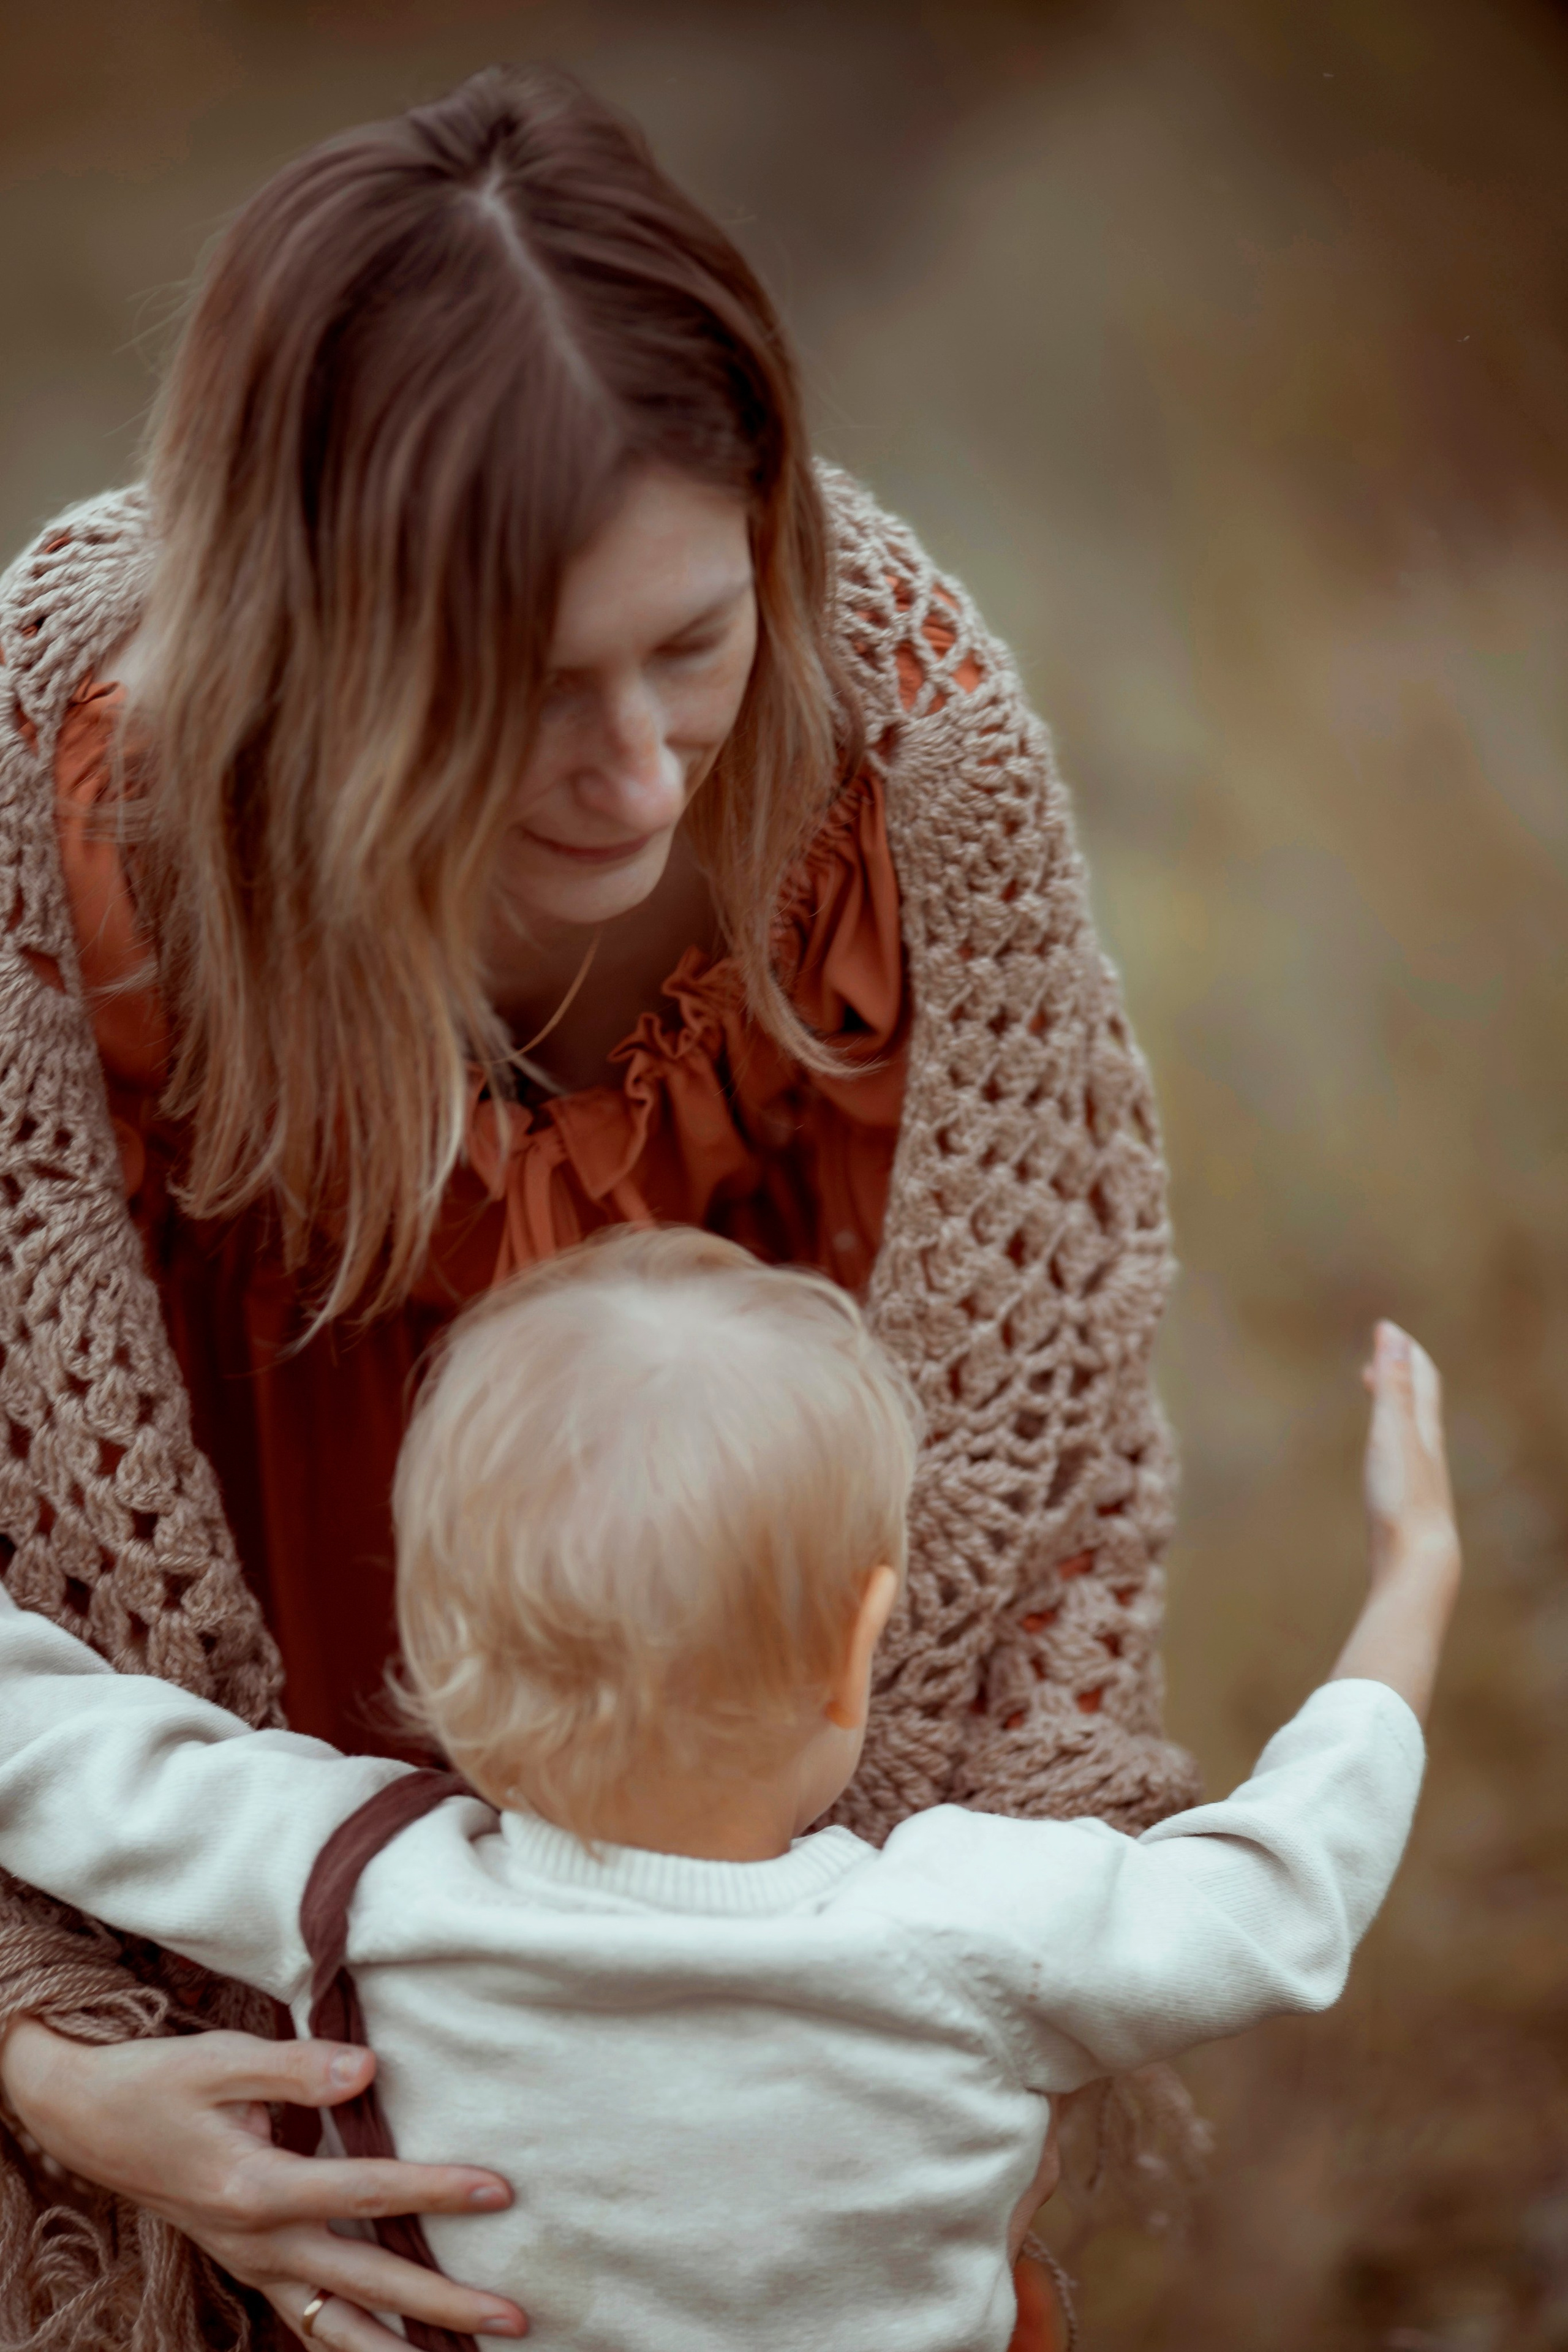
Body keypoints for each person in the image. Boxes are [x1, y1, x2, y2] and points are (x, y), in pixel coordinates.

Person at [0, 63, 1197, 2352]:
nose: (646, 775)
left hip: (781, 1916)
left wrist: (946, 1990)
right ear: (304, 636)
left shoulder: (900, 757)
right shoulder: (56, 819)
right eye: (522, 695)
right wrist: (56, 2058)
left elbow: (1049, 1450)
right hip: (200, 1863)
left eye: (694, 645)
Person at [0, 1232, 1459, 2352]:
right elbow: (1284, 1889)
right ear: (856, 1653)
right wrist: (1412, 1582)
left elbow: (50, 1744)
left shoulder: (348, 1879)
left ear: (432, 1648)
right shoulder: (978, 1927)